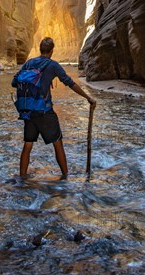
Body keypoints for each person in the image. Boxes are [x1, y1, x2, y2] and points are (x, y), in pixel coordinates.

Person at [11, 37, 96, 177]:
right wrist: (88, 98)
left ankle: (22, 178)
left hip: (28, 112)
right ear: (51, 51)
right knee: (57, 143)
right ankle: (65, 176)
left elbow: (14, 83)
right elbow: (70, 83)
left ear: (40, 49)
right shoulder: (52, 65)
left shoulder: (28, 63)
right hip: (45, 113)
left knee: (27, 146)